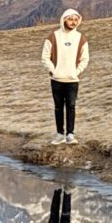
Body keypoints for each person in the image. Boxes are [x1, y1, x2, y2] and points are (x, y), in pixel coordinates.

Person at [41, 8, 89, 142]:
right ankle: (59, 134)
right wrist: (53, 71)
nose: (73, 22)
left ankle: (70, 134)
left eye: (75, 20)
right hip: (56, 79)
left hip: (72, 80)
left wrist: (76, 72)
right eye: (70, 19)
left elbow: (85, 59)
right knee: (58, 107)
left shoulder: (81, 38)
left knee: (71, 106)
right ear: (64, 20)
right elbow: (45, 57)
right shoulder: (53, 36)